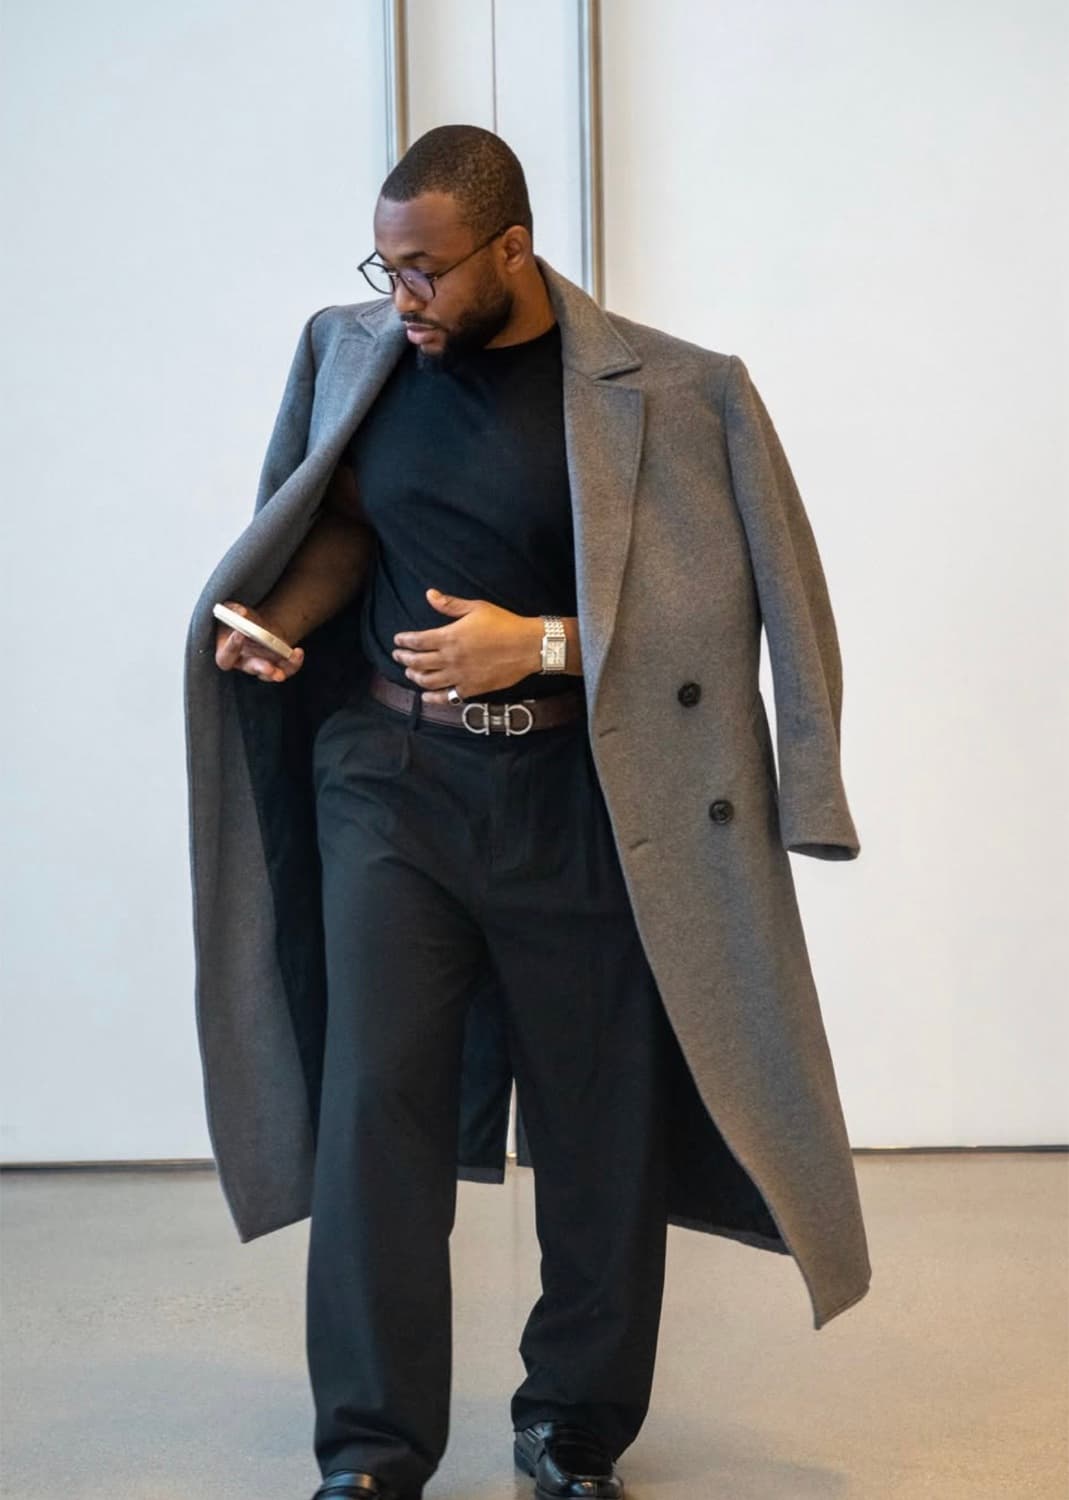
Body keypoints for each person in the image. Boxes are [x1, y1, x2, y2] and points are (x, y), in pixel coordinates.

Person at [199, 122, 869, 1500]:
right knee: (375, 1112)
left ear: (510, 249)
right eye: (385, 267)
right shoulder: (353, 352)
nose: (402, 297)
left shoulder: (677, 392)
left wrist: (541, 644)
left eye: (428, 270)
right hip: (389, 786)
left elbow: (739, 612)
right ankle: (371, 1450)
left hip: (585, 798)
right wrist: (280, 619)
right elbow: (342, 523)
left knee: (597, 1118)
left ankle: (572, 1423)